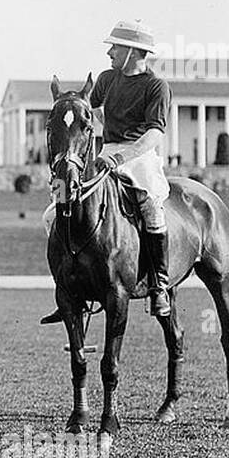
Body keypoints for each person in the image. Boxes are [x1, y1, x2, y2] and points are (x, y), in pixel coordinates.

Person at [42, 20, 173, 321]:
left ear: (132, 51)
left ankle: (160, 286)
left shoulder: (156, 86)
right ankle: (68, 288)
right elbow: (89, 107)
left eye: (115, 47)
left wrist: (123, 156)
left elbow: (154, 134)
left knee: (152, 210)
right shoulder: (106, 78)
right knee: (52, 212)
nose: (110, 52)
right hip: (104, 153)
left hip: (140, 157)